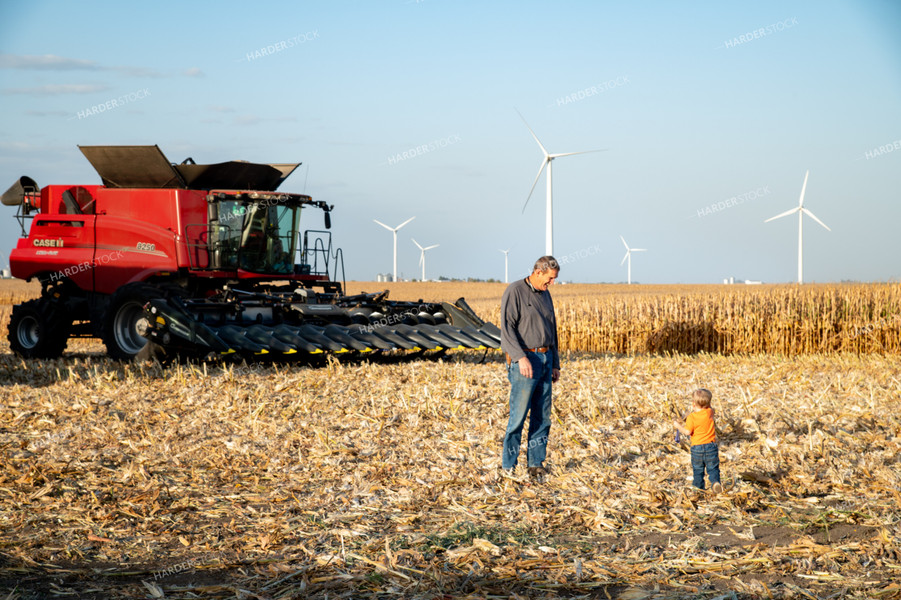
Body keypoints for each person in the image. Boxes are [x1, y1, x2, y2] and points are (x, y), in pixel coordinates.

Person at [499, 255, 561, 482]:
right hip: (526, 361)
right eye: (549, 279)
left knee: (542, 418)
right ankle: (509, 467)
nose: (552, 283)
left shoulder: (546, 295)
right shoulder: (515, 291)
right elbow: (507, 330)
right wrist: (520, 357)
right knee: (518, 418)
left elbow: (552, 330)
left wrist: (555, 363)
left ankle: (535, 464)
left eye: (553, 280)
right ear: (538, 272)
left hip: (545, 360)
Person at [673, 388, 723, 493]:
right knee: (713, 468)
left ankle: (698, 489)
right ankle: (715, 483)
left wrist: (678, 426)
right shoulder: (710, 412)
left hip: (697, 448)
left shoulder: (692, 417)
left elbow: (687, 432)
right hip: (711, 447)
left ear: (693, 404)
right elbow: (707, 408)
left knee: (698, 470)